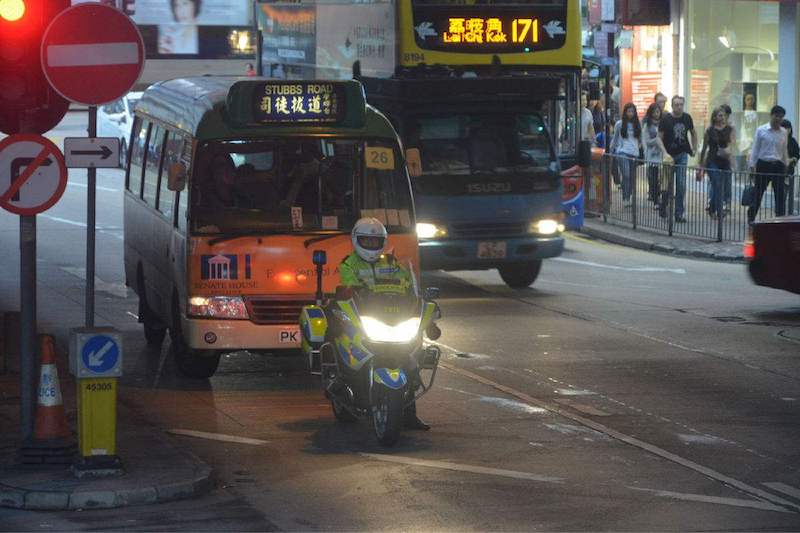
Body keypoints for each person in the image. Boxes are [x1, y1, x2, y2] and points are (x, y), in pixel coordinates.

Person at [338, 218, 428, 430]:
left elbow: (407, 283)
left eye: (375, 241)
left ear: (383, 242)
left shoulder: (390, 262)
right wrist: (350, 291)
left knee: (411, 358)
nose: (370, 245)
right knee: (343, 339)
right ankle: (342, 383)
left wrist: (416, 297)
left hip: (391, 314)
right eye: (366, 241)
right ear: (356, 240)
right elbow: (348, 288)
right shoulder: (349, 264)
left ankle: (409, 414)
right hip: (364, 313)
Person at [747, 106, 789, 223]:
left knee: (780, 195)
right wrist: (752, 165)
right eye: (777, 116)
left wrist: (786, 164)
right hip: (763, 164)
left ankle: (780, 220)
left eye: (781, 117)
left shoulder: (784, 132)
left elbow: (784, 150)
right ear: (771, 115)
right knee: (758, 193)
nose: (779, 119)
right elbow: (755, 148)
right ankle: (751, 218)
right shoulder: (761, 130)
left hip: (778, 165)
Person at [659, 95, 697, 222]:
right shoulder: (666, 119)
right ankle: (663, 204)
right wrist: (664, 153)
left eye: (681, 104)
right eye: (676, 104)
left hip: (682, 154)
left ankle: (679, 213)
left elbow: (693, 132)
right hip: (669, 155)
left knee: (681, 184)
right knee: (667, 184)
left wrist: (694, 148)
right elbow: (659, 138)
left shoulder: (687, 118)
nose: (679, 107)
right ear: (672, 105)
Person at [699, 107, 734, 219]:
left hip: (725, 160)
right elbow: (704, 148)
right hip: (712, 160)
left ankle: (712, 208)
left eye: (723, 115)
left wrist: (729, 151)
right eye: (719, 115)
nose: (722, 117)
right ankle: (719, 211)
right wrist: (701, 165)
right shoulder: (709, 130)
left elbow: (733, 144)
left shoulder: (730, 129)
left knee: (721, 186)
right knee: (717, 183)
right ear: (714, 117)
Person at [610, 103, 642, 208]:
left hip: (634, 153)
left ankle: (629, 196)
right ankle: (625, 198)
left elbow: (640, 140)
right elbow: (614, 139)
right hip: (622, 152)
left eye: (632, 111)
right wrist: (611, 150)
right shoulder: (619, 124)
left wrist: (640, 149)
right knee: (626, 175)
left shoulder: (638, 124)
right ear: (625, 112)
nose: (631, 113)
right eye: (629, 111)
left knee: (632, 177)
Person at [642, 103, 668, 213]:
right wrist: (657, 141)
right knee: (653, 179)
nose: (656, 114)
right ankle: (656, 200)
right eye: (654, 112)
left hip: (661, 155)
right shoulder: (647, 125)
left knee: (661, 179)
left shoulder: (664, 123)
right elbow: (647, 141)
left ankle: (662, 200)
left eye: (658, 111)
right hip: (652, 155)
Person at [782, 119, 799, 215]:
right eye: (785, 128)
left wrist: (793, 159)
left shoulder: (793, 141)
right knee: (781, 194)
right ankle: (780, 212)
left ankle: (788, 212)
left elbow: (797, 154)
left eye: (788, 128)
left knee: (788, 192)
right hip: (779, 171)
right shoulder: (779, 139)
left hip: (789, 171)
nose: (787, 130)